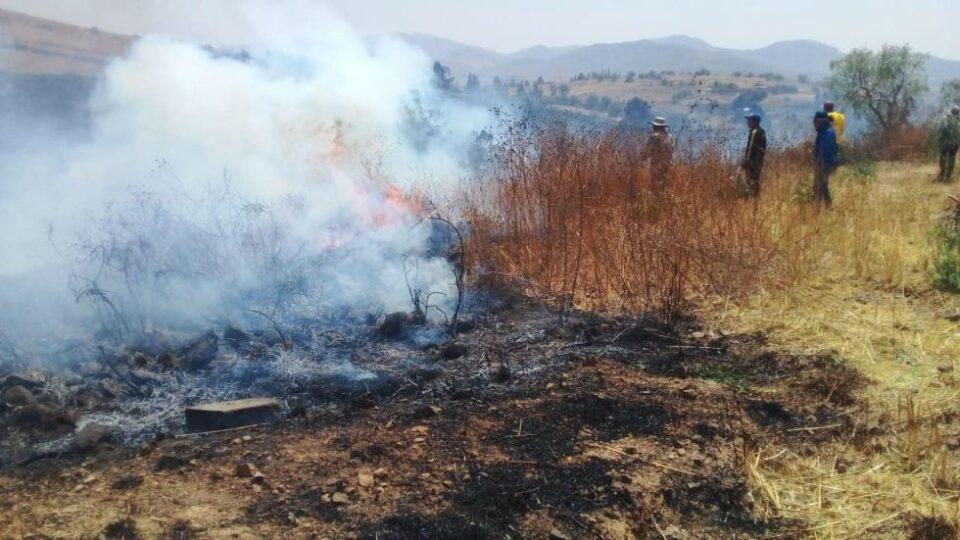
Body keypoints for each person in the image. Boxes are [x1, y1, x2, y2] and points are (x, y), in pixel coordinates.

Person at [639, 116, 675, 193]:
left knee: (654, 186)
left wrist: (641, 158)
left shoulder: (654, 136)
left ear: (655, 126)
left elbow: (647, 151)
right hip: (667, 165)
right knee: (663, 185)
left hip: (656, 165)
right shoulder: (670, 137)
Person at [812, 111, 839, 207]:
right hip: (822, 164)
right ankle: (826, 207)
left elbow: (824, 150)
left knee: (819, 187)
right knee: (822, 186)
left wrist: (815, 155)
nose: (814, 123)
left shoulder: (828, 133)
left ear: (821, 121)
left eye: (815, 121)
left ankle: (818, 209)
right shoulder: (824, 131)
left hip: (824, 164)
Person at [739, 113, 767, 197]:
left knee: (750, 181)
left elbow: (750, 148)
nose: (747, 122)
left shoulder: (754, 132)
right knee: (755, 181)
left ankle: (751, 200)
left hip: (752, 162)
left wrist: (745, 161)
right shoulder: (762, 131)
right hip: (759, 161)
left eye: (749, 120)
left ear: (755, 122)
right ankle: (755, 200)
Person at [938, 107, 960, 182]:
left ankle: (944, 175)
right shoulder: (953, 120)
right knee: (950, 159)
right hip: (952, 143)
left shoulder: (947, 119)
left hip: (948, 143)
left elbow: (941, 129)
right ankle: (946, 176)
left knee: (944, 158)